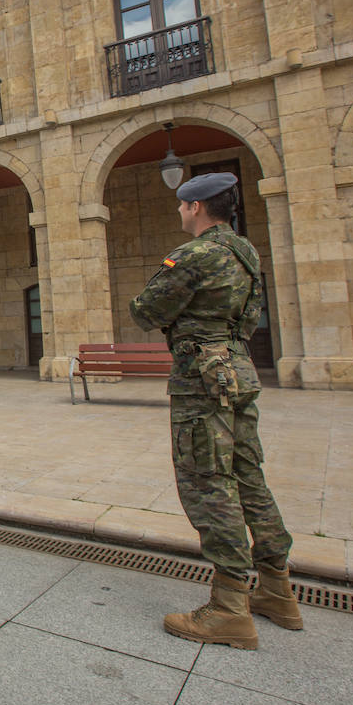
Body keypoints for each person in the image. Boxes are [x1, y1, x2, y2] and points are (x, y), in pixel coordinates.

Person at [128, 171, 301, 650]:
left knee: (208, 480)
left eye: (183, 205)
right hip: (239, 369)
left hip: (201, 377)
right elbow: (250, 316)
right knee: (248, 475)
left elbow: (146, 311)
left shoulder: (194, 255)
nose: (181, 212)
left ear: (197, 207)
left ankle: (228, 607)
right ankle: (276, 589)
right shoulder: (246, 252)